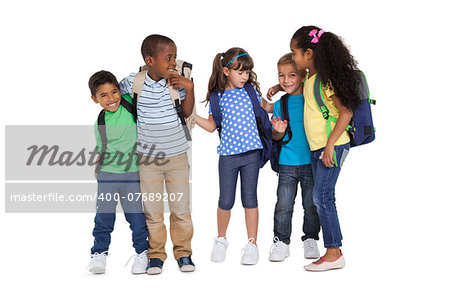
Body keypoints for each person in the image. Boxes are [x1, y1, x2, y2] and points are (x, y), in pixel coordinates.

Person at [119, 34, 195, 275]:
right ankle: (156, 255)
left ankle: (184, 253)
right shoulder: (134, 81)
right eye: (168, 58)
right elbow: (113, 95)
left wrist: (189, 88)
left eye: (174, 57)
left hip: (177, 157)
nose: (173, 63)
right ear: (149, 60)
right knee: (153, 211)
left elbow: (186, 110)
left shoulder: (178, 82)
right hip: (148, 159)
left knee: (181, 210)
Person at [288, 26, 362, 271]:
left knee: (321, 196)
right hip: (317, 147)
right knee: (323, 196)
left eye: (295, 53)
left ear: (309, 53)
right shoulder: (310, 77)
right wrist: (280, 88)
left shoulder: (326, 79)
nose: (293, 58)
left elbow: (346, 112)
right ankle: (334, 250)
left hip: (332, 146)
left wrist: (329, 146)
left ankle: (333, 253)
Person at [196, 47, 271, 265]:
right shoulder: (217, 97)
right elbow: (211, 126)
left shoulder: (251, 91)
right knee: (225, 201)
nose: (245, 77)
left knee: (250, 199)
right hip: (228, 156)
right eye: (240, 72)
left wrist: (282, 103)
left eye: (247, 72)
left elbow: (267, 108)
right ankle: (221, 240)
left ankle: (252, 244)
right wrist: (190, 116)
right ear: (226, 71)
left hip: (252, 154)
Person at [87, 70, 149, 274]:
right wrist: (98, 168)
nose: (111, 99)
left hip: (132, 174)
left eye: (114, 92)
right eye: (103, 95)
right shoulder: (100, 122)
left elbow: (141, 77)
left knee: (136, 216)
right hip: (107, 175)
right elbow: (102, 147)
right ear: (94, 99)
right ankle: (99, 253)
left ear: (120, 90)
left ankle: (142, 252)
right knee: (104, 216)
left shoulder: (129, 104)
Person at [268, 53, 321, 262]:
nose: (286, 80)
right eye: (281, 76)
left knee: (311, 205)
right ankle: (281, 241)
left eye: (291, 75)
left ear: (302, 76)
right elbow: (276, 135)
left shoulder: (311, 97)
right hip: (287, 162)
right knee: (283, 205)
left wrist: (279, 85)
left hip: (311, 162)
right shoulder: (281, 104)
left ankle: (310, 238)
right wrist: (278, 131)